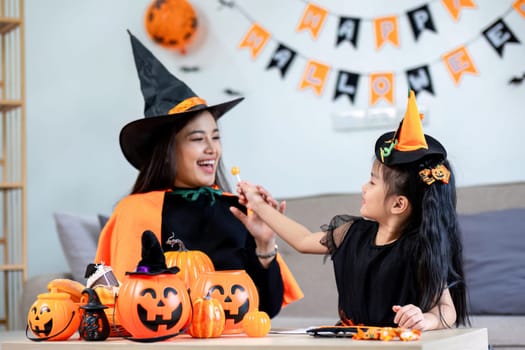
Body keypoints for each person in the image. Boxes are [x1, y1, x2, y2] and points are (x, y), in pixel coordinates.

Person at [94, 31, 303, 318]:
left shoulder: (238, 210)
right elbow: (124, 306)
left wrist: (264, 244)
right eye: (196, 139)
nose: (212, 149)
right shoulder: (136, 211)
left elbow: (266, 308)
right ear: (168, 150)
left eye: (215, 137)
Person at [233, 91, 469, 330]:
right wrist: (259, 205)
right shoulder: (351, 233)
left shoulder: (420, 248)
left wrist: (425, 319)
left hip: (395, 343)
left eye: (373, 182)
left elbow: (446, 309)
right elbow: (303, 240)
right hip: (351, 339)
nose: (364, 187)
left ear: (398, 204)